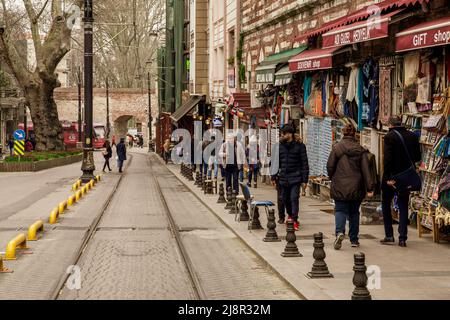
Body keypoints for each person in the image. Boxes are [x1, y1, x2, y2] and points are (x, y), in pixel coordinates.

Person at [327, 124, 375, 249]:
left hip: (340, 184)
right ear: (355, 134)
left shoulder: (336, 148)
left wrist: (332, 177)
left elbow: (330, 166)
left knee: (340, 210)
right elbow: (366, 170)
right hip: (356, 186)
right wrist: (370, 188)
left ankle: (340, 233)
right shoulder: (360, 150)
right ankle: (354, 240)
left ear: (343, 133)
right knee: (354, 212)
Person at [381, 116, 421, 247]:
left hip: (392, 177)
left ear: (390, 125)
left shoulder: (389, 137)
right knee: (403, 205)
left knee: (386, 204)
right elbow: (417, 157)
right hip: (406, 177)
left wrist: (387, 178)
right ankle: (402, 238)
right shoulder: (413, 136)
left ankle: (389, 235)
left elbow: (387, 159)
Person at [271, 125, 309, 231]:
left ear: (289, 134)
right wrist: (273, 177)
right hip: (283, 178)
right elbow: (275, 162)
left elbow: (304, 164)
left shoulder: (300, 146)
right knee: (285, 199)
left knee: (294, 198)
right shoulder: (278, 146)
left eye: (284, 134)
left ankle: (294, 220)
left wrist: (305, 180)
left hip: (296, 178)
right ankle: (290, 215)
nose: (282, 136)